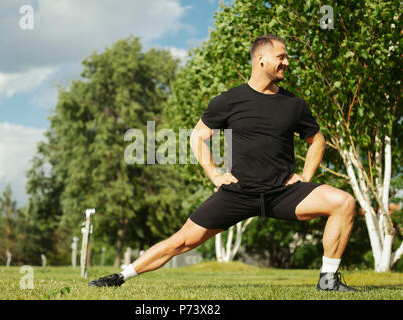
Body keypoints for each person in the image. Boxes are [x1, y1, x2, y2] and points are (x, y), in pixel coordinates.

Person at [88, 35, 358, 291]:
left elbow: (317, 140)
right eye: (282, 56)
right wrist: (215, 175)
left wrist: (307, 176)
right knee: (182, 241)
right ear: (261, 59)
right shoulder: (229, 100)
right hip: (239, 192)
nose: (287, 62)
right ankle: (120, 277)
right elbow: (198, 137)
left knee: (343, 202)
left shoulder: (294, 104)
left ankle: (328, 279)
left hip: (283, 192)